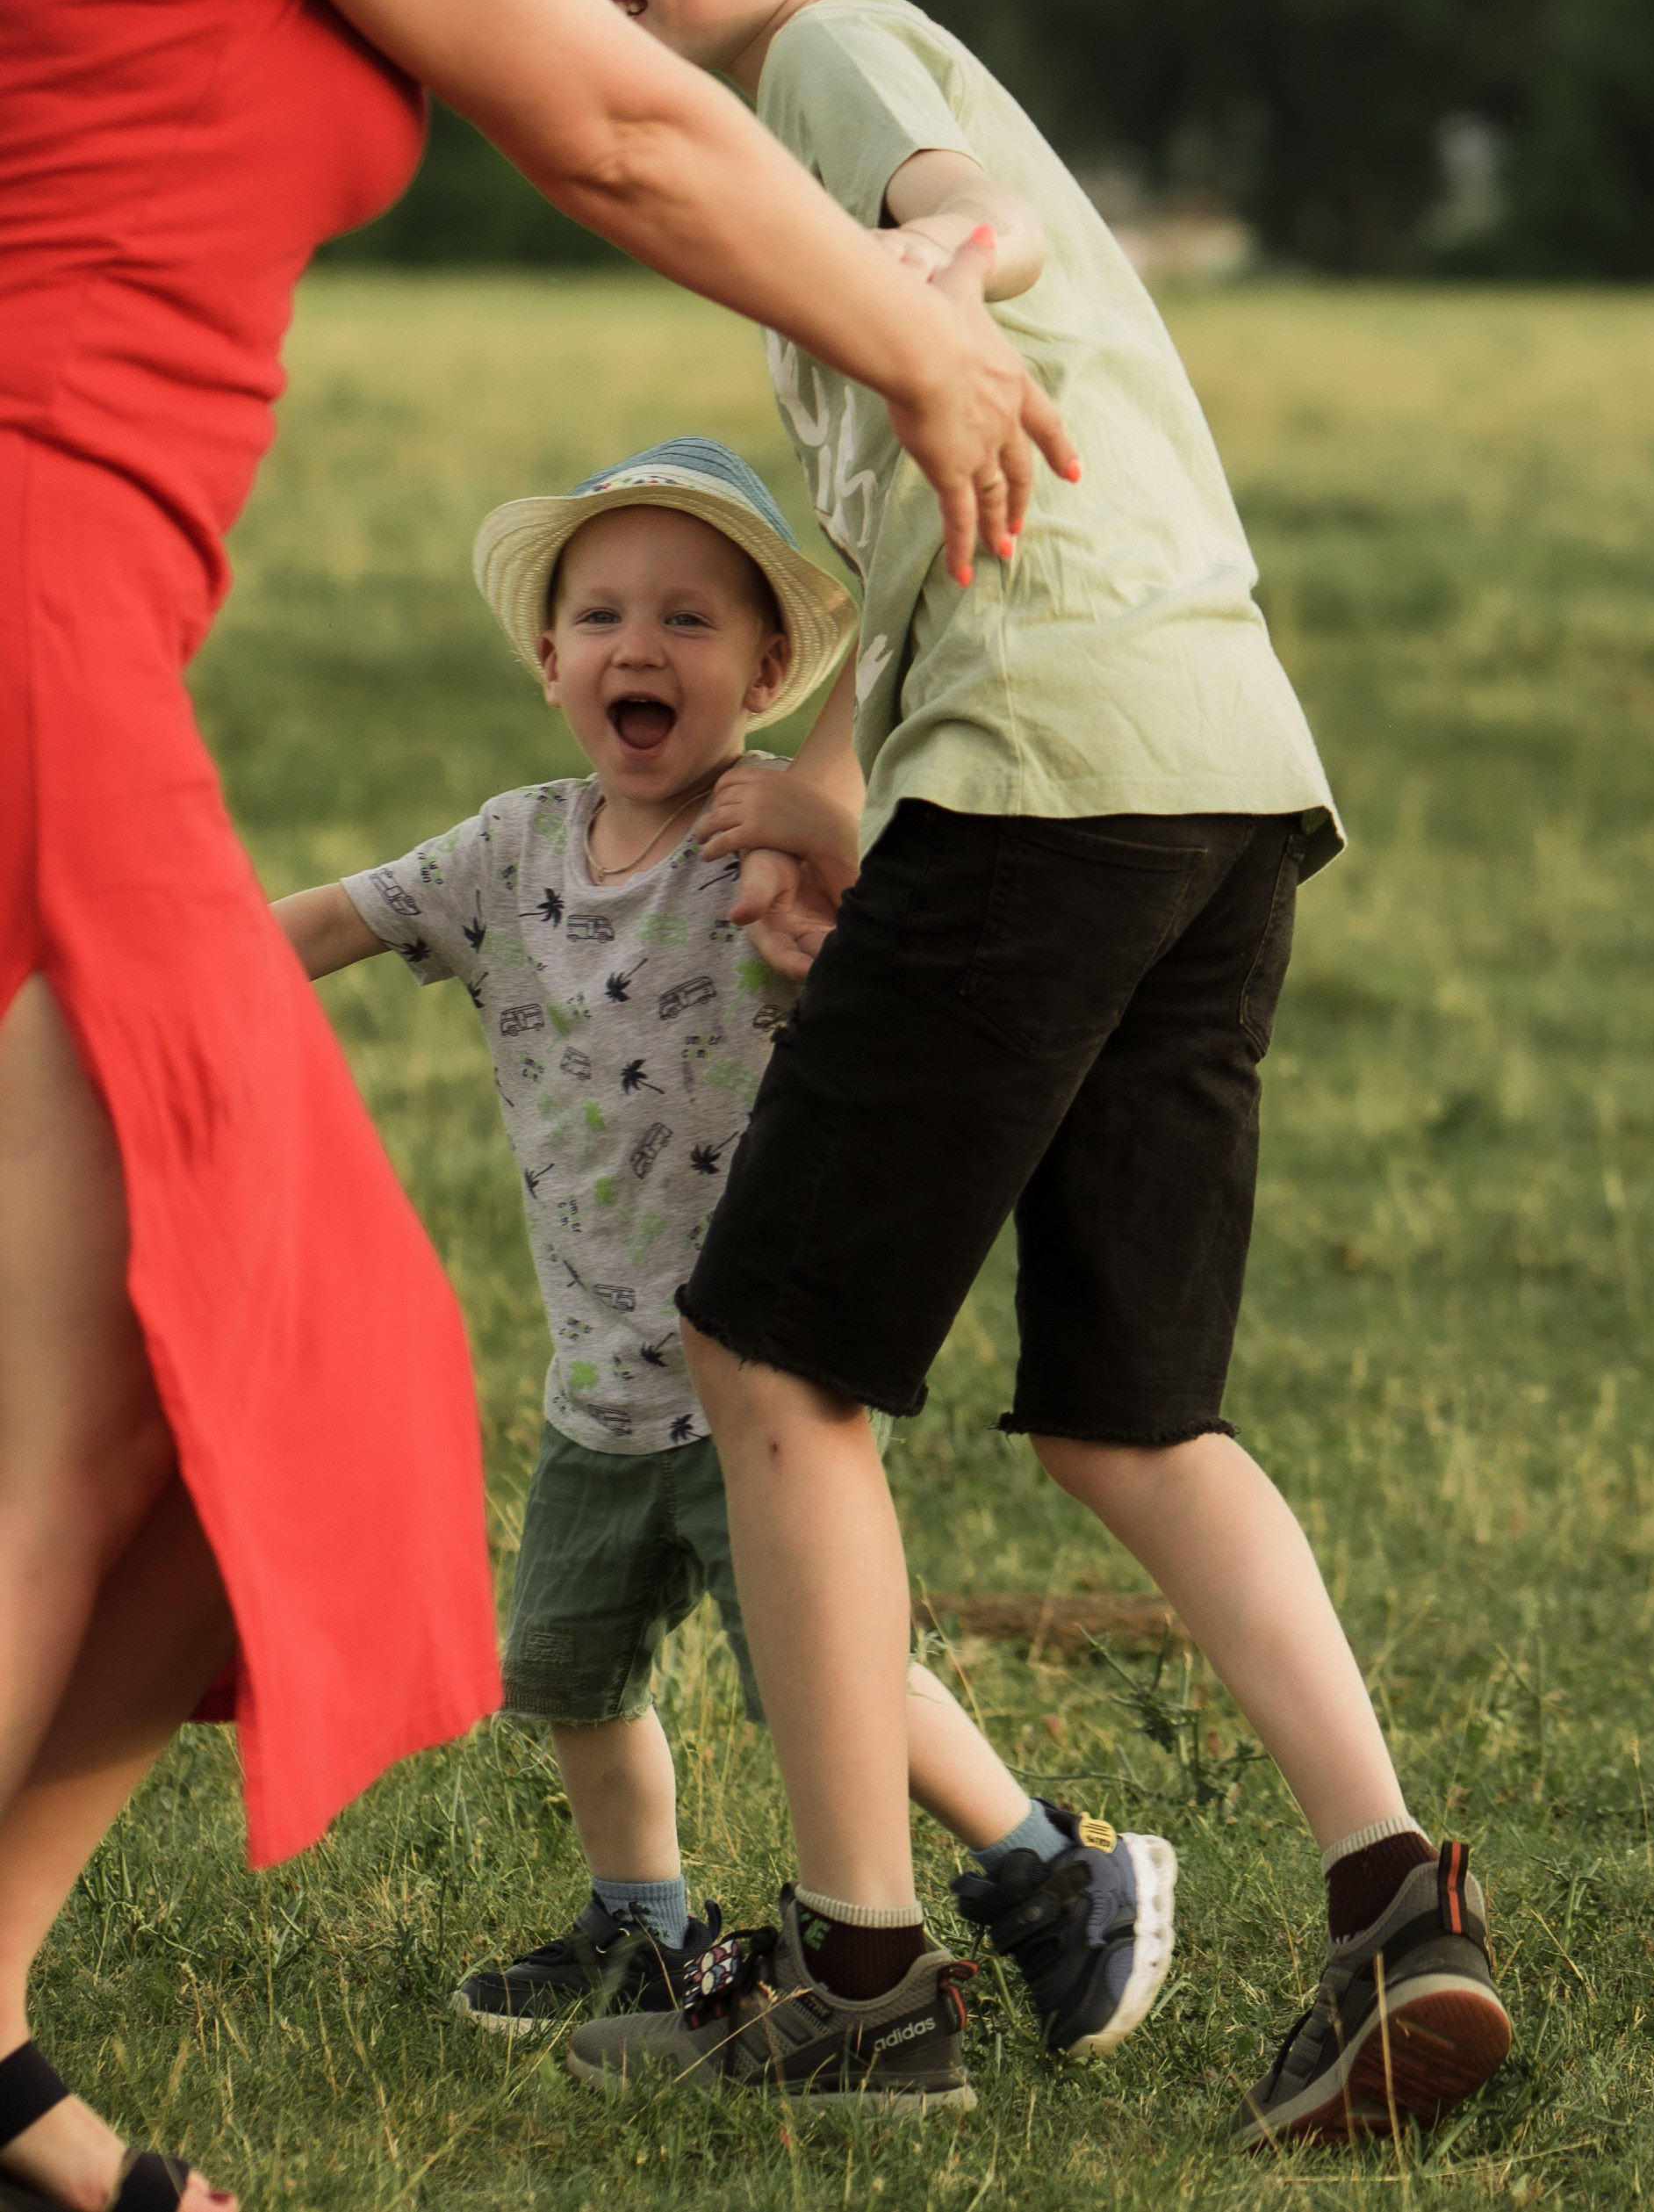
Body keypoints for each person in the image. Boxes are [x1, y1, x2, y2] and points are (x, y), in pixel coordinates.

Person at [0, 0, 1075, 2198]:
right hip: (39, 585)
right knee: (168, 1393)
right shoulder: (504, 847)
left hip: (83, 601)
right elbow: (616, 125)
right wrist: (923, 341)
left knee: (216, 1398)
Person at [565, 0, 1514, 2144]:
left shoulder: (823, 51)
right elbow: (968, 535)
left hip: (1049, 780)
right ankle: (1396, 1900)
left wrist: (924, 247)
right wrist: (838, 789)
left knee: (769, 1365)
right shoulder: (791, 120)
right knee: (1128, 1414)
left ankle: (861, 1981)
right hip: (1211, 769)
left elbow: (952, 204)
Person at [272, 438, 1178, 2081]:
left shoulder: (778, 849)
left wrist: (823, 854)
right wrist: (140, 979)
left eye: (692, 619)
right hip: (596, 1381)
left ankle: (1053, 1859)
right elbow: (331, 922)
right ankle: (642, 1914)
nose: (640, 646)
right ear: (547, 659)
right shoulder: (511, 849)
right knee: (562, 1665)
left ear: (768, 670)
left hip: (760, 1376)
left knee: (825, 1676)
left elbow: (910, 991)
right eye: (601, 612)